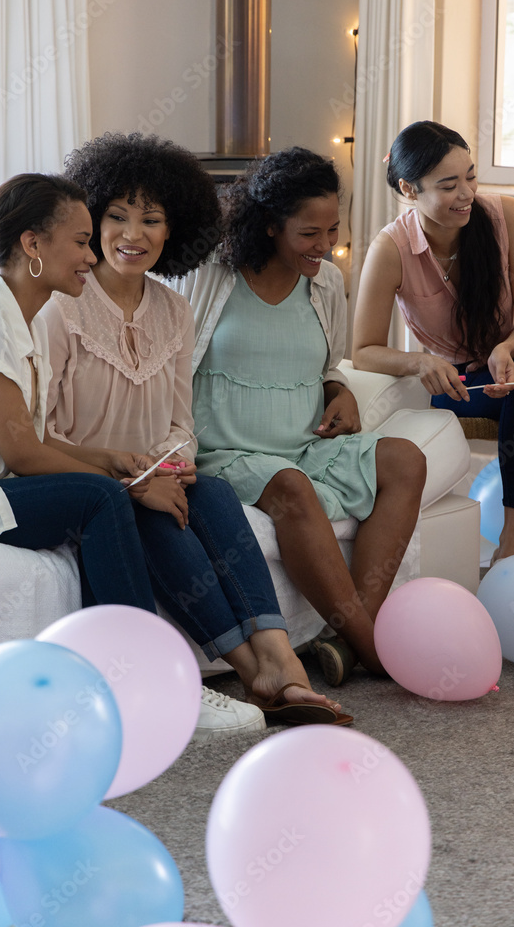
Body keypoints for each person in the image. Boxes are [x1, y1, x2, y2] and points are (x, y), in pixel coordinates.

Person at [44, 131, 348, 736]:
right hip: (86, 482)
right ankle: (252, 668)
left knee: (208, 493)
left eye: (152, 220)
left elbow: (182, 420)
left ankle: (277, 654)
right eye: (117, 217)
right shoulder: (62, 308)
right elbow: (41, 433)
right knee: (154, 515)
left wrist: (170, 469)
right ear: (91, 218)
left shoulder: (174, 310)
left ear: (172, 230)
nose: (134, 234)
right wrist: (137, 481)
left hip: (155, 473)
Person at [168, 146, 426, 686]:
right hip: (225, 451)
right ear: (269, 225)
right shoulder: (207, 273)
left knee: (404, 459)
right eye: (310, 233)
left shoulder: (325, 281)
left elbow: (331, 363)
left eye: (333, 229)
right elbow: (168, 366)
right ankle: (375, 649)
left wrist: (340, 390)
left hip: (306, 444)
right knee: (290, 487)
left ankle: (353, 634)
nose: (326, 245)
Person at [352, 120, 514, 562]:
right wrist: (419, 363)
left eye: (471, 176)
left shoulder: (505, 216)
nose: (467, 194)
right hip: (465, 377)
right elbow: (363, 351)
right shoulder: (391, 249)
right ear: (409, 188)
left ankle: (512, 538)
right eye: (449, 184)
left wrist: (506, 349)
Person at [0, 172, 162, 614]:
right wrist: (122, 483)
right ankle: (138, 657)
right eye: (82, 242)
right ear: (33, 245)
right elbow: (23, 454)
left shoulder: (30, 322)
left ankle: (118, 656)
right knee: (102, 498)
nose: (91, 256)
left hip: (2, 486)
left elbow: (36, 439)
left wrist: (111, 458)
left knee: (109, 493)